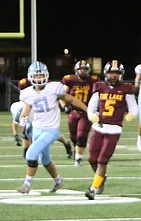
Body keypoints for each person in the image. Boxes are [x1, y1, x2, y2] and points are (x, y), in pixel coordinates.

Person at [16, 61, 90, 194]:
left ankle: (27, 184)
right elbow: (26, 110)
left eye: (41, 75)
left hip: (51, 129)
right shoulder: (27, 93)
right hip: (37, 129)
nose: (39, 78)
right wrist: (23, 118)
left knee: (31, 153)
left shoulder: (54, 88)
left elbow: (71, 99)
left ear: (46, 75)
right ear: (30, 76)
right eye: (36, 76)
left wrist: (88, 110)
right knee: (45, 160)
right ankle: (58, 181)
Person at [84, 59, 138, 199]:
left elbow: (133, 106)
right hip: (99, 127)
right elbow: (91, 106)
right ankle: (101, 178)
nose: (114, 75)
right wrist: (92, 115)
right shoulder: (99, 87)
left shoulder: (126, 89)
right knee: (92, 159)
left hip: (114, 129)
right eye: (111, 73)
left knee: (102, 159)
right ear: (106, 73)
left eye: (116, 73)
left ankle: (93, 188)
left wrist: (132, 113)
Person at [12, 74, 74, 157]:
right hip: (31, 109)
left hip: (44, 111)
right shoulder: (24, 83)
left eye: (39, 75)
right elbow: (25, 100)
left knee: (52, 134)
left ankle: (66, 144)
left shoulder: (48, 84)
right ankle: (26, 152)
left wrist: (64, 105)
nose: (38, 78)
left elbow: (57, 96)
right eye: (35, 75)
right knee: (26, 131)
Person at [62, 59, 98, 166]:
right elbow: (62, 94)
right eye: (81, 69)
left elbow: (98, 94)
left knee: (82, 134)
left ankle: (78, 158)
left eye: (85, 69)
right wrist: (64, 106)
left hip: (86, 112)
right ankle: (76, 149)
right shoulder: (69, 80)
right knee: (73, 136)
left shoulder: (94, 80)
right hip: (73, 112)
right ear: (76, 70)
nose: (83, 71)